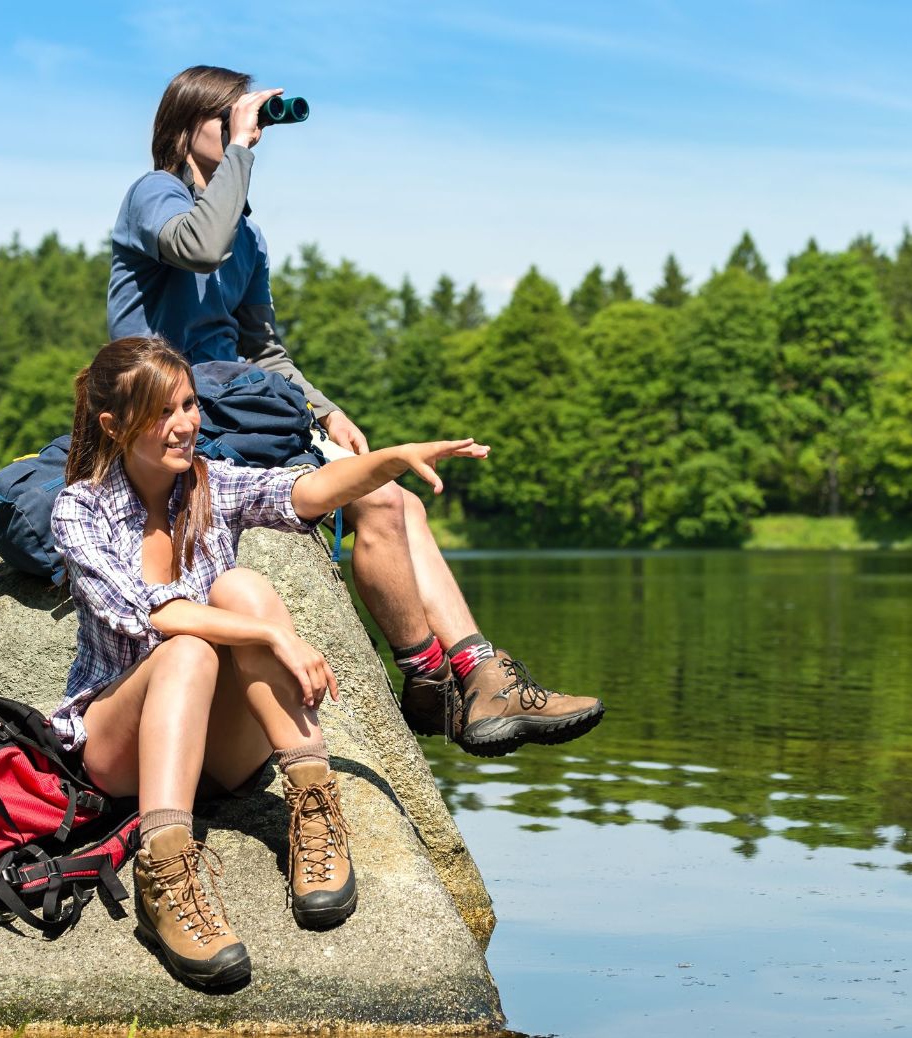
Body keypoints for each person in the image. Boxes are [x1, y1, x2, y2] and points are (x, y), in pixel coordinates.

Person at [107, 64, 602, 756]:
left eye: (247, 124)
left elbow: (264, 348)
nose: (246, 134)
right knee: (378, 502)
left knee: (398, 500)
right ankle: (432, 679)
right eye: (231, 121)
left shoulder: (246, 236)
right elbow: (198, 246)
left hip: (241, 414)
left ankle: (477, 673)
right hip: (172, 420)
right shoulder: (153, 196)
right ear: (186, 127)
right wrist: (243, 153)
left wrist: (325, 411)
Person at [51, 336, 489, 987]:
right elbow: (152, 615)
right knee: (190, 646)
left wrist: (390, 459)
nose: (184, 424)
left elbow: (307, 491)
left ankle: (314, 805)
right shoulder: (79, 510)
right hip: (124, 754)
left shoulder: (209, 483)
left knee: (241, 588)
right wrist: (275, 638)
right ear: (112, 424)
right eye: (159, 410)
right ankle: (165, 868)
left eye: (190, 404)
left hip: (221, 755)